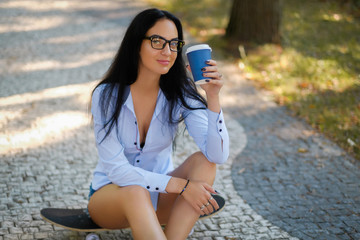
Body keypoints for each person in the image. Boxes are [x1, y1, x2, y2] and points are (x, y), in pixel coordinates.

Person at [87, 8, 229, 240]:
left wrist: (212, 97)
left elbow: (218, 155)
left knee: (206, 163)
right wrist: (182, 187)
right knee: (135, 191)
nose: (167, 51)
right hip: (112, 199)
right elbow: (118, 171)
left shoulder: (179, 94)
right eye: (157, 41)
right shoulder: (106, 95)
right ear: (136, 44)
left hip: (161, 200)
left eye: (174, 44)